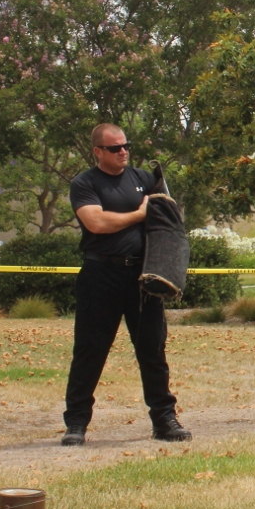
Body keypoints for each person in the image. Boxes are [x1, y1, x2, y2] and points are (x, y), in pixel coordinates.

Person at [61, 123, 191, 447]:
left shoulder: (143, 180)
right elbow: (97, 222)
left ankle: (165, 420)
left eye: (125, 146)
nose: (123, 152)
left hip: (140, 280)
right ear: (97, 152)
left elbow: (167, 220)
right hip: (100, 276)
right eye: (114, 148)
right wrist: (139, 213)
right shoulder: (85, 183)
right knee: (89, 352)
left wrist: (168, 268)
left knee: (152, 350)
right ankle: (76, 424)